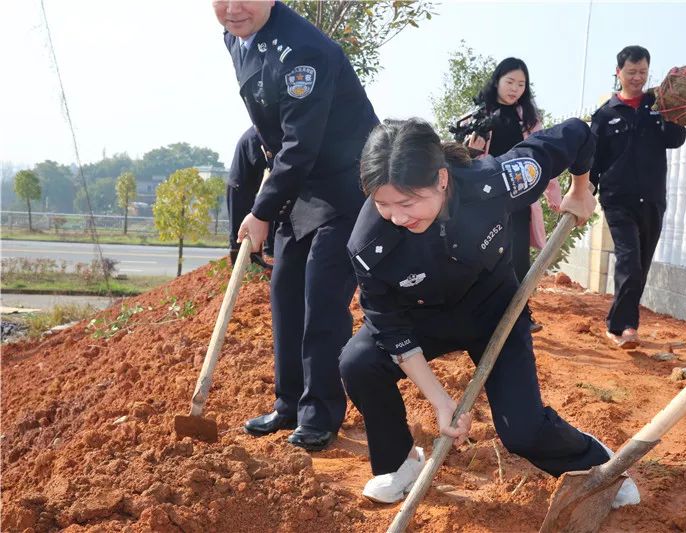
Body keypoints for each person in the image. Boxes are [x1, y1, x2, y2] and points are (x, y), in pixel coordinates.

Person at [339, 117, 640, 507]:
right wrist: (440, 401)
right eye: (382, 204)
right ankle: (400, 463)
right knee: (358, 362)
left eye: (407, 203)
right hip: (422, 319)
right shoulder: (368, 245)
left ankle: (599, 468)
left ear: (442, 180)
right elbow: (389, 326)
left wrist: (580, 188)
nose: (396, 216)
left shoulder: (496, 181)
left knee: (522, 431)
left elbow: (578, 136)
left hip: (494, 311)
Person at [212, 0, 379, 451]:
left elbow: (300, 144)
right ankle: (289, 405)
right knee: (285, 293)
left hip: (347, 185)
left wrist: (261, 210)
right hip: (300, 184)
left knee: (321, 301)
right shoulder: (235, 36)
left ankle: (320, 414)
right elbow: (273, 126)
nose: (232, 8)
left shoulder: (306, 52)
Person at [590, 45, 686, 349]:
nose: (637, 77)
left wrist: (672, 112)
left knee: (640, 266)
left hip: (653, 198)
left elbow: (676, 139)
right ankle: (624, 327)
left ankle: (619, 320)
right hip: (618, 200)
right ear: (618, 72)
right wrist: (584, 191)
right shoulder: (605, 115)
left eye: (643, 72)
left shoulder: (656, 106)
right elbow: (594, 159)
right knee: (629, 262)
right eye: (631, 72)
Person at [467, 57, 561, 332]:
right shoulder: (479, 114)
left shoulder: (529, 119)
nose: (515, 89)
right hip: (485, 199)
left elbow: (545, 158)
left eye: (521, 84)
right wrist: (473, 146)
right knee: (485, 257)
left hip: (519, 199)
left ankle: (520, 316)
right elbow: (465, 158)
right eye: (510, 82)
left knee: (518, 257)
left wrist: (553, 196)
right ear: (497, 81)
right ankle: (482, 316)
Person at [226, 126, 274, 269]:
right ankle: (240, 265)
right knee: (240, 228)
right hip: (239, 186)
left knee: (262, 218)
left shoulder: (262, 132)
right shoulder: (256, 136)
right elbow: (262, 163)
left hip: (254, 185)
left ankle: (260, 258)